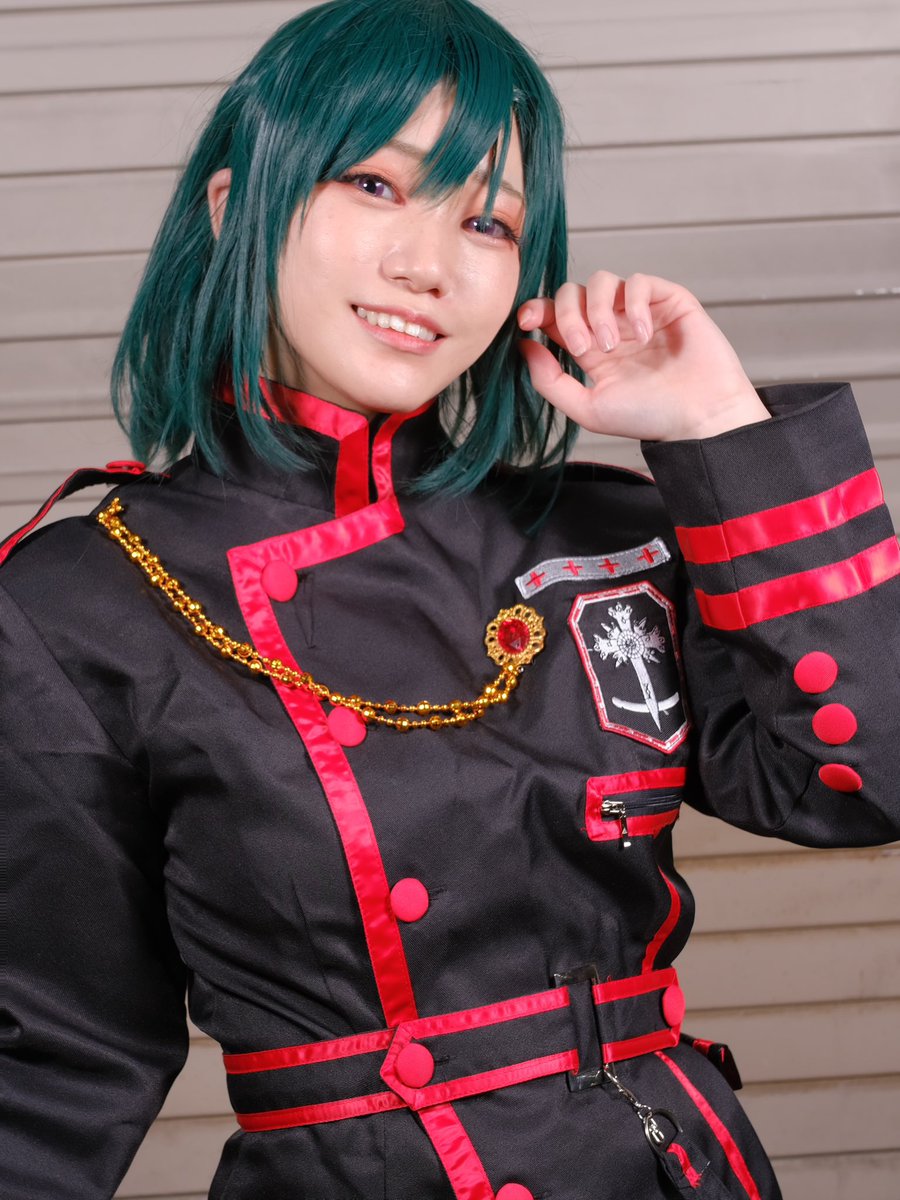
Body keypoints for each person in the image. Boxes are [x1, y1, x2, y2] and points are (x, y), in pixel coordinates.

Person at [2, 0, 899, 1196]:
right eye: (374, 185)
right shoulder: (77, 603)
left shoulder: (606, 539)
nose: (427, 265)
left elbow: (869, 781)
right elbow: (56, 1058)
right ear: (234, 208)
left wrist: (722, 431)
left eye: (487, 220)